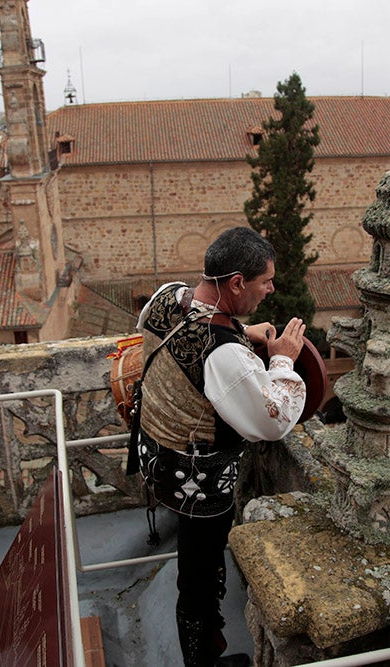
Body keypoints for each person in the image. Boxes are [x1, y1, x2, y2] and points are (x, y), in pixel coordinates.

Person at [134, 227, 307, 667]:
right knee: (200, 576)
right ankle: (201, 660)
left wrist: (242, 331)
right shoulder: (223, 355)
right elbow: (274, 420)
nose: (271, 289)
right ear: (235, 283)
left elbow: (188, 331)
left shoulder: (166, 297)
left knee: (195, 570)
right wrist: (282, 356)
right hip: (197, 481)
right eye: (265, 281)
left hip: (154, 452)